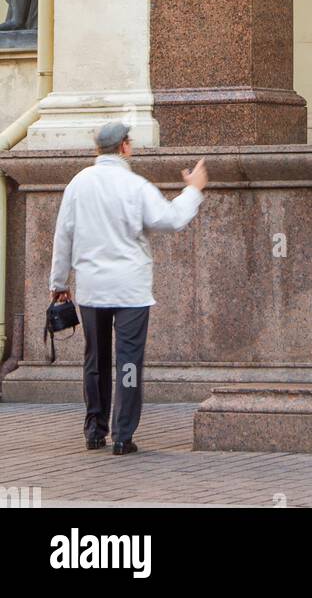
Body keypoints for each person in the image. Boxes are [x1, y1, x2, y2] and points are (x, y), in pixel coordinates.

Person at [49, 120, 207, 455]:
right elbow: (170, 219)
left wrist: (59, 283)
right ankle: (123, 435)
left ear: (97, 149)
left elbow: (64, 235)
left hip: (92, 287)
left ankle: (94, 431)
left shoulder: (79, 184)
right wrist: (193, 189)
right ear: (125, 146)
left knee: (95, 359)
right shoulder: (135, 185)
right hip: (130, 289)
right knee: (129, 362)